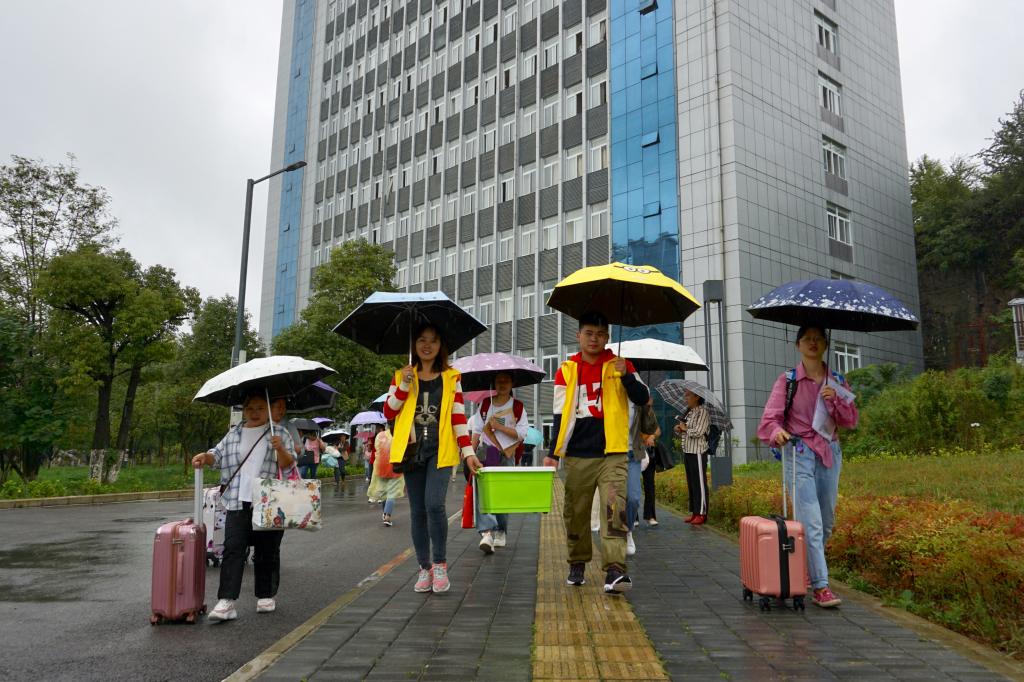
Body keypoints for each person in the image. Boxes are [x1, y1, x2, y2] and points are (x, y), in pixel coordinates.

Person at [544, 311, 650, 594]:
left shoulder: (621, 364)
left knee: (615, 509)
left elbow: (643, 398)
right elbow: (559, 414)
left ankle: (615, 569)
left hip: (613, 452)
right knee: (576, 511)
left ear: (608, 337)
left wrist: (627, 376)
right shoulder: (566, 370)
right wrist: (553, 452)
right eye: (589, 333)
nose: (594, 339)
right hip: (578, 453)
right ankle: (577, 561)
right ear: (578, 335)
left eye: (601, 334)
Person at [757, 324, 858, 609]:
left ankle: (805, 569)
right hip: (799, 452)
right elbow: (769, 420)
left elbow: (851, 421)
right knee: (810, 521)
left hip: (829, 452)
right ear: (798, 345)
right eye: (807, 339)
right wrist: (777, 431)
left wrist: (835, 401)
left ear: (825, 344)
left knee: (826, 522)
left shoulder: (837, 381)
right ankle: (821, 586)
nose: (813, 343)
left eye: (818, 339)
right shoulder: (788, 380)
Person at [383, 323, 482, 594]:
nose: (427, 345)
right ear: (414, 345)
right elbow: (389, 412)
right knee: (417, 511)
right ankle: (424, 567)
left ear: (441, 346)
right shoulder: (401, 375)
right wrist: (404, 385)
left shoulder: (451, 377)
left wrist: (468, 452)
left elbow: (458, 417)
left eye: (433, 340)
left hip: (441, 450)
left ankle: (440, 564)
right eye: (422, 340)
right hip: (412, 451)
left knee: (434, 505)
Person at [192, 393, 295, 621]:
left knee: (267, 551)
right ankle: (227, 601)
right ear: (244, 410)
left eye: (260, 407)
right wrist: (205, 457)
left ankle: (265, 595)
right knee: (233, 548)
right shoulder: (234, 433)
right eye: (249, 408)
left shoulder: (279, 433)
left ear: (268, 409)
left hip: (268, 502)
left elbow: (288, 466)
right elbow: (217, 455)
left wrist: (280, 449)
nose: (254, 412)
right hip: (237, 500)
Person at [467, 371, 528, 554]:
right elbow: (477, 430)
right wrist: (470, 453)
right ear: (493, 383)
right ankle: (486, 532)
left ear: (512, 384)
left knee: (502, 494)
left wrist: (499, 427)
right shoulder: (486, 404)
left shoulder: (518, 406)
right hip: (487, 453)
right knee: (483, 491)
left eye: (506, 381)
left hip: (507, 454)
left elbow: (522, 433)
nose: (502, 384)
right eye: (498, 381)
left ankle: (501, 530)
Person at [674, 391, 711, 525]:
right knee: (692, 483)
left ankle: (702, 513)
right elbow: (686, 432)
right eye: (686, 395)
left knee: (700, 483)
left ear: (697, 397)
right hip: (688, 451)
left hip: (698, 452)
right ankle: (695, 512)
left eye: (688, 395)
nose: (686, 398)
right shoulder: (689, 412)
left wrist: (684, 429)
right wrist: (679, 429)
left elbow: (698, 432)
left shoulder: (703, 412)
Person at [367, 424, 403, 525]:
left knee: (384, 491)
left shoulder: (380, 435)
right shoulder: (399, 434)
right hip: (395, 466)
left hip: (381, 466)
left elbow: (376, 449)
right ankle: (387, 516)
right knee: (391, 492)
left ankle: (385, 512)